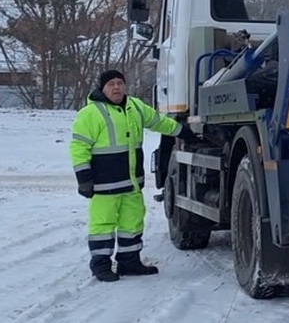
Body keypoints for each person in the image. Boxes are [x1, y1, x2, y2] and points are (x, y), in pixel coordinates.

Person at [69, 69, 198, 282]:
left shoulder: (135, 107)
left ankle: (129, 262)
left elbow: (159, 122)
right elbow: (79, 146)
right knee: (102, 225)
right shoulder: (90, 113)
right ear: (103, 88)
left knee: (133, 223)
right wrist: (84, 177)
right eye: (111, 84)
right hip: (104, 185)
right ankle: (101, 266)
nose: (117, 87)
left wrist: (182, 131)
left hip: (131, 184)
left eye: (120, 83)